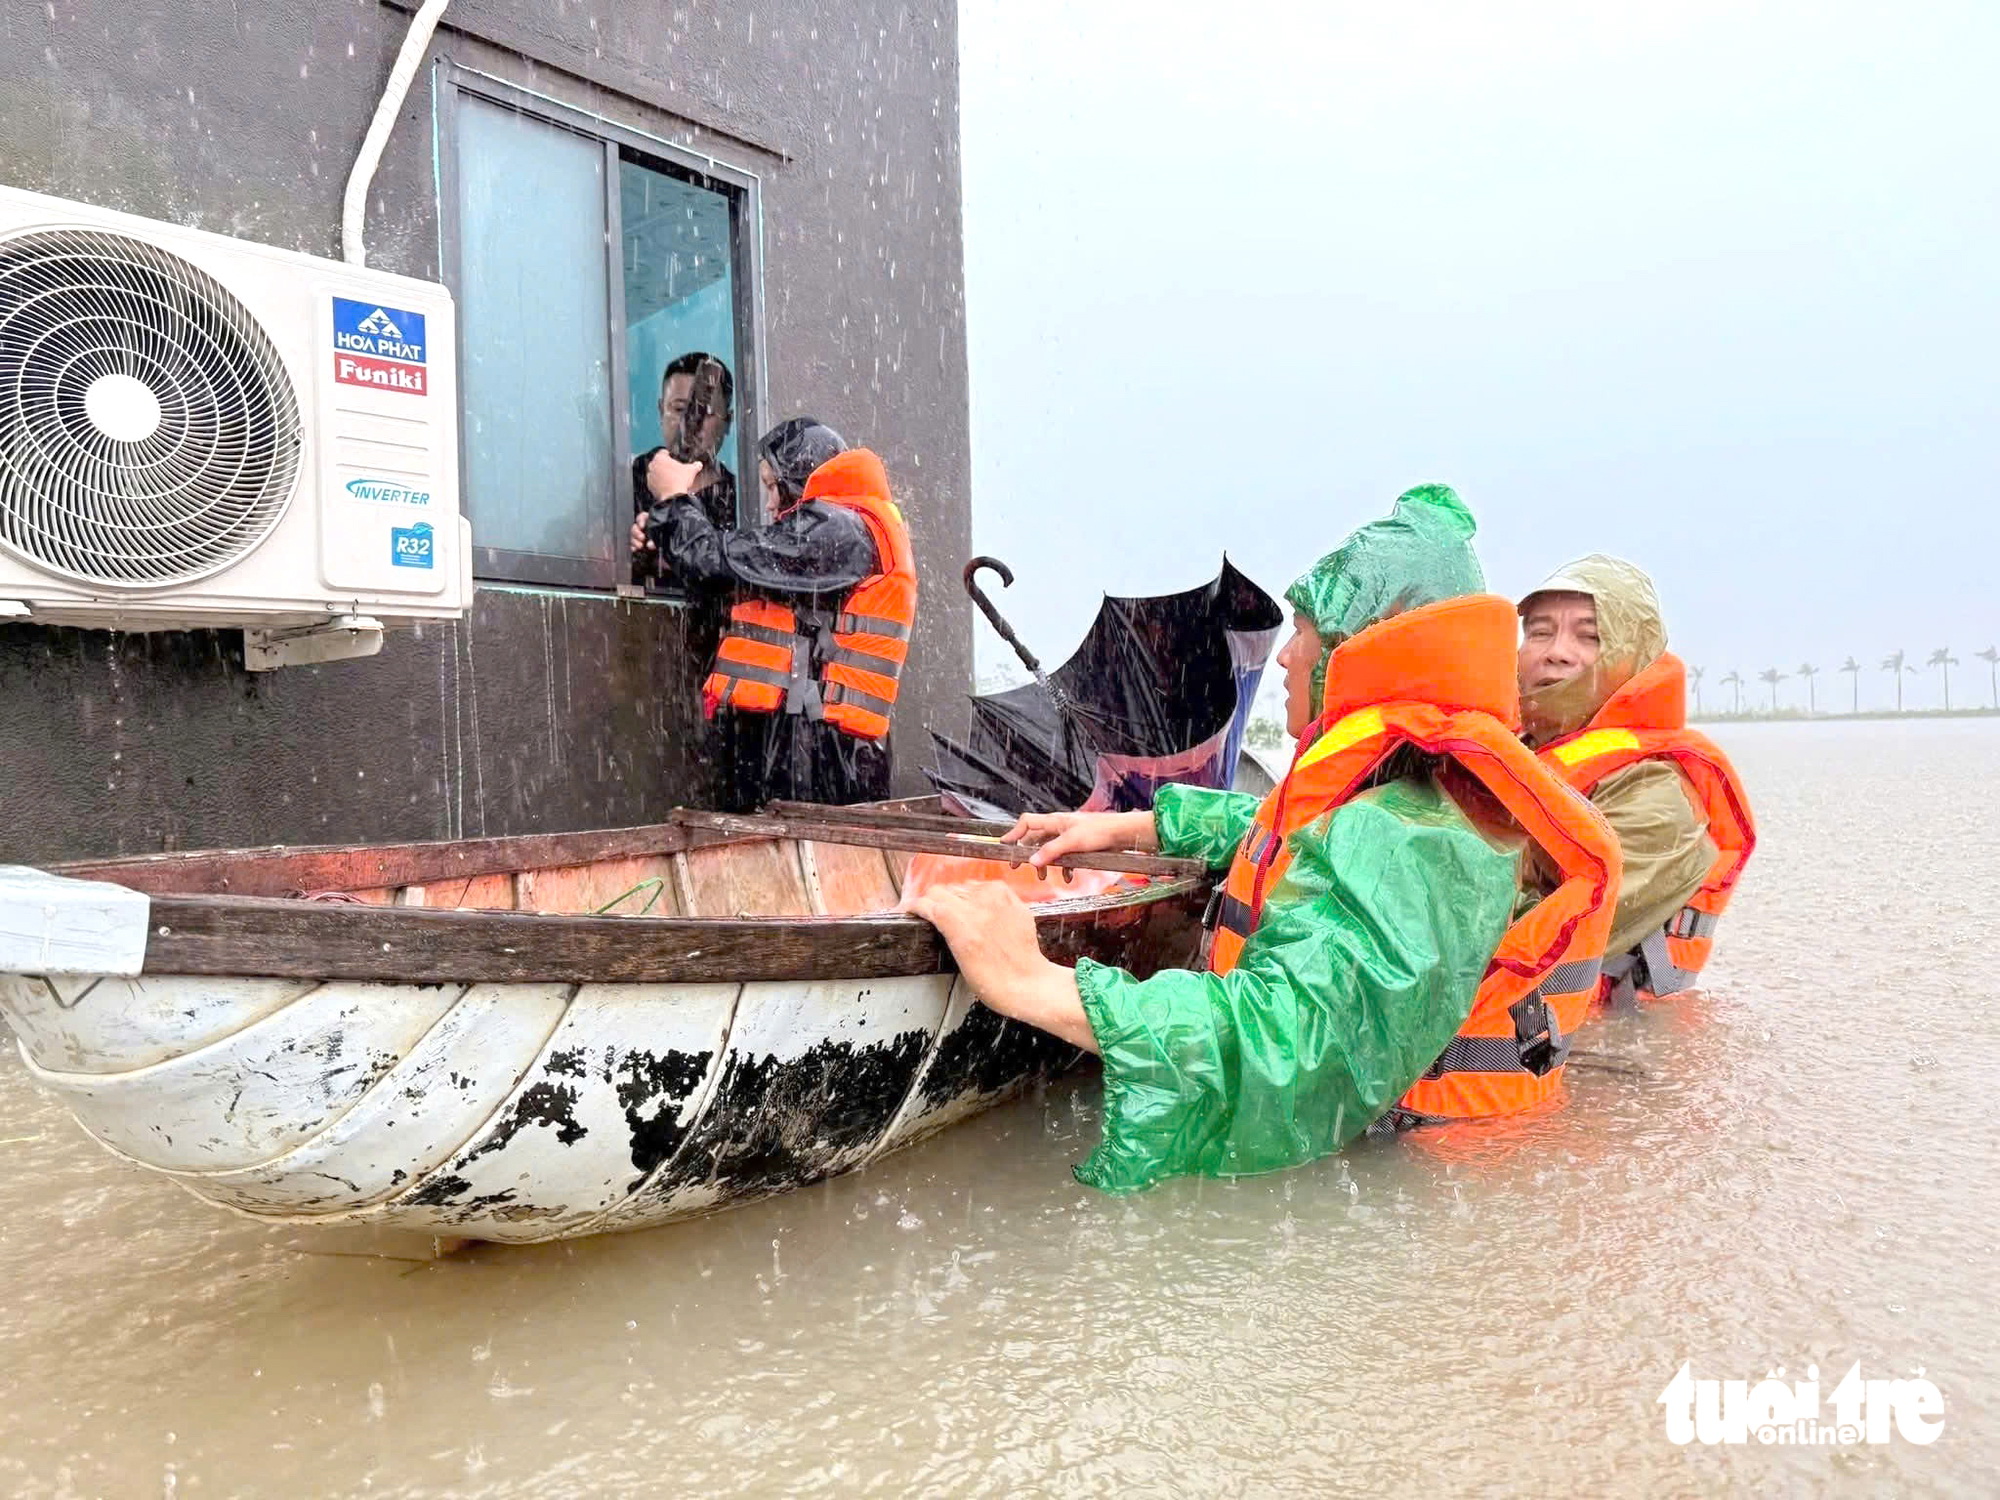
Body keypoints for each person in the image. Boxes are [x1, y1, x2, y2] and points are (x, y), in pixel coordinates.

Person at [906, 487, 1620, 1193]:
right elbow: (1288, 833)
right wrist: (1133, 825)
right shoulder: (1415, 796)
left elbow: (1291, 1043)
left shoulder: (1413, 839)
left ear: (1360, 648)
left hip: (1408, 1177)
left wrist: (1030, 981)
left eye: (1306, 630)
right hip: (1422, 1157)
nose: (1285, 657)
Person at [638, 418, 916, 812]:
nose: (769, 504)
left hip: (818, 757)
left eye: (773, 486)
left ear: (800, 482)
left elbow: (713, 560)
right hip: (806, 747)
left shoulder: (839, 531)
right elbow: (736, 573)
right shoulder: (838, 532)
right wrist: (661, 548)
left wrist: (673, 500)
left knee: (805, 863)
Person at [1517, 556, 1756, 1004]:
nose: (1557, 651)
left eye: (1590, 636)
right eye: (1539, 632)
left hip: (1600, 1053)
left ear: (1634, 658)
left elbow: (1566, 926)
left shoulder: (1656, 791)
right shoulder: (1505, 755)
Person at [632, 351, 738, 535]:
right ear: (661, 411)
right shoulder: (633, 476)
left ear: (727, 421)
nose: (691, 422)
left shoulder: (739, 499)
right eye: (679, 408)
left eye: (706, 411)